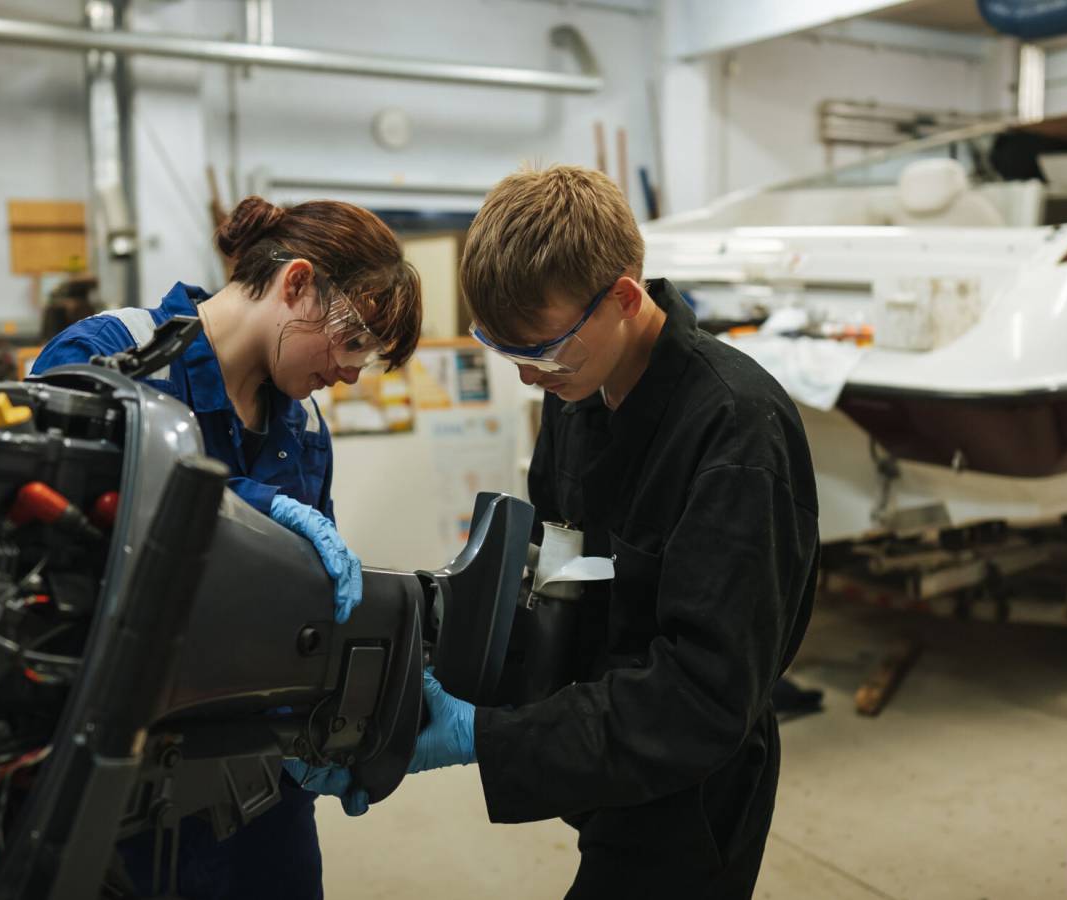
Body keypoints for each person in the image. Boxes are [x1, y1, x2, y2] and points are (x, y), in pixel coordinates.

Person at [303, 165, 819, 898]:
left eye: (542, 351)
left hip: (691, 786)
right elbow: (559, 580)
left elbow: (704, 696)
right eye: (505, 351)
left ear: (624, 299)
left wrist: (486, 738)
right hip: (599, 758)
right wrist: (407, 692)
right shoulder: (577, 398)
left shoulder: (735, 432)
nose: (526, 378)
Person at [29, 195, 422, 899]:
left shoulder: (300, 428)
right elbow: (68, 529)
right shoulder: (110, 355)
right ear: (295, 283)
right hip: (122, 780)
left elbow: (311, 607)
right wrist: (254, 506)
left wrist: (358, 717)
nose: (352, 372)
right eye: (353, 340)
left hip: (263, 787)